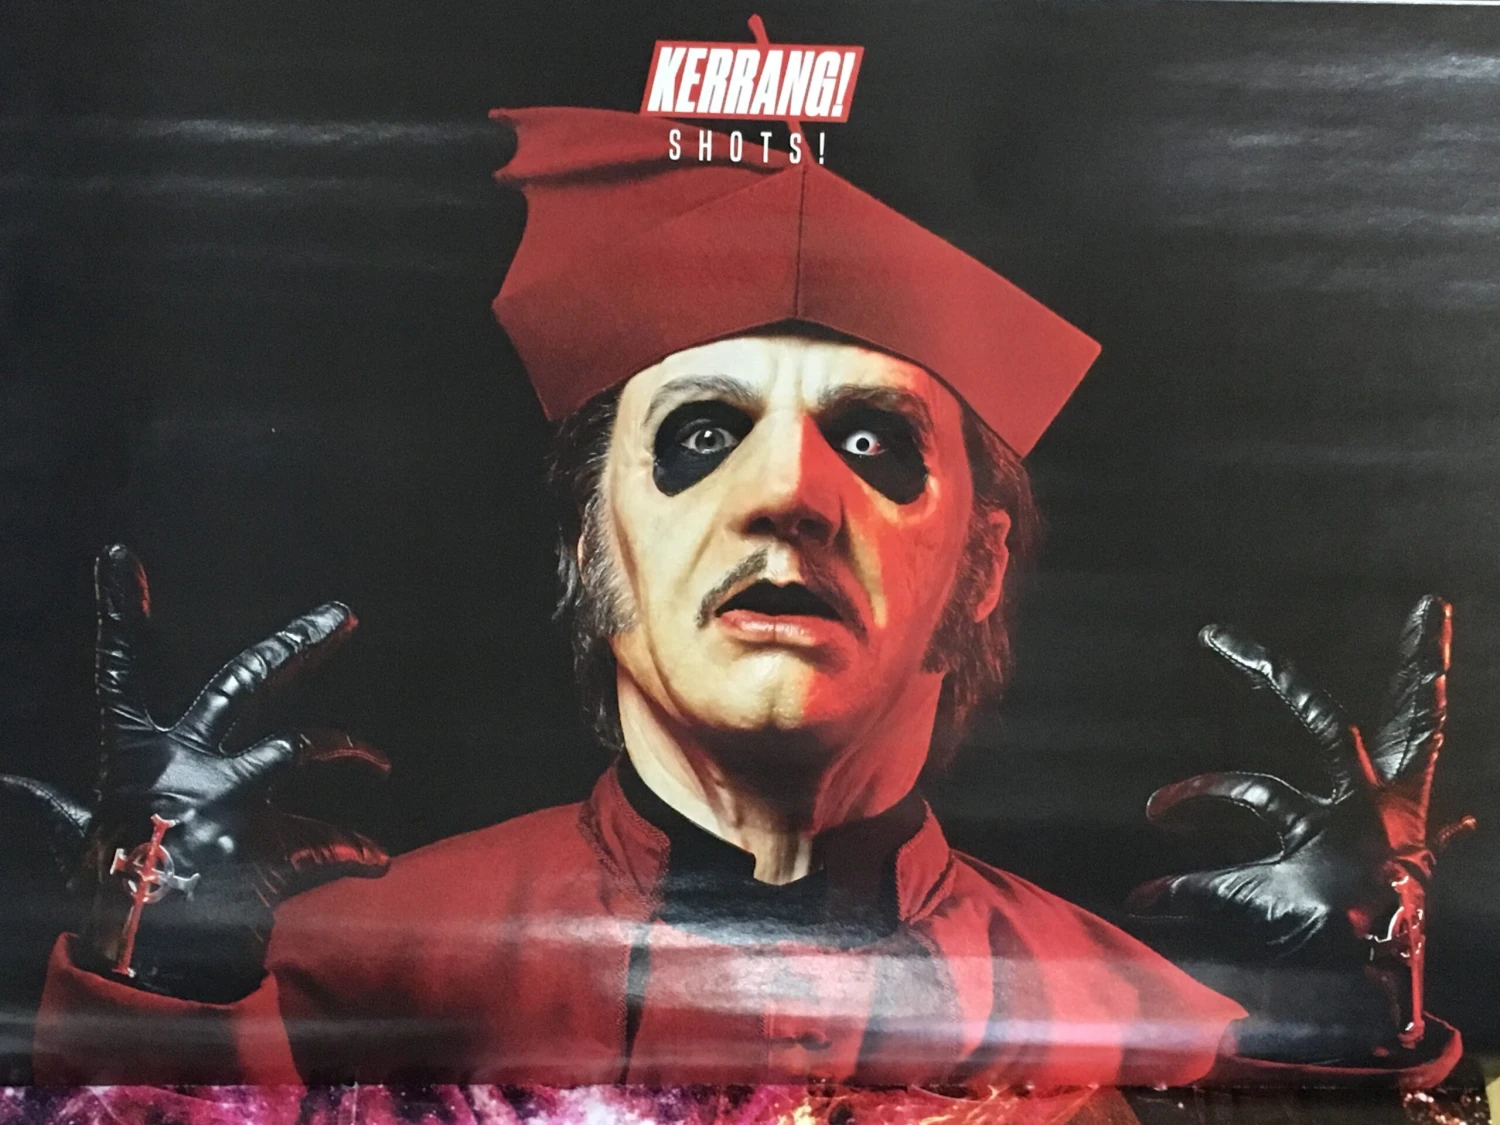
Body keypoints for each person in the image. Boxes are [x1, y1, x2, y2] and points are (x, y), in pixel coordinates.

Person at [8, 110, 1464, 1105]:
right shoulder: (331, 977)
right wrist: (165, 992)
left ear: (982, 565)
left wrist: (1332, 1051)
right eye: (703, 433)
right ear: (595, 543)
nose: (787, 494)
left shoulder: (1152, 1025)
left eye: (874, 440)